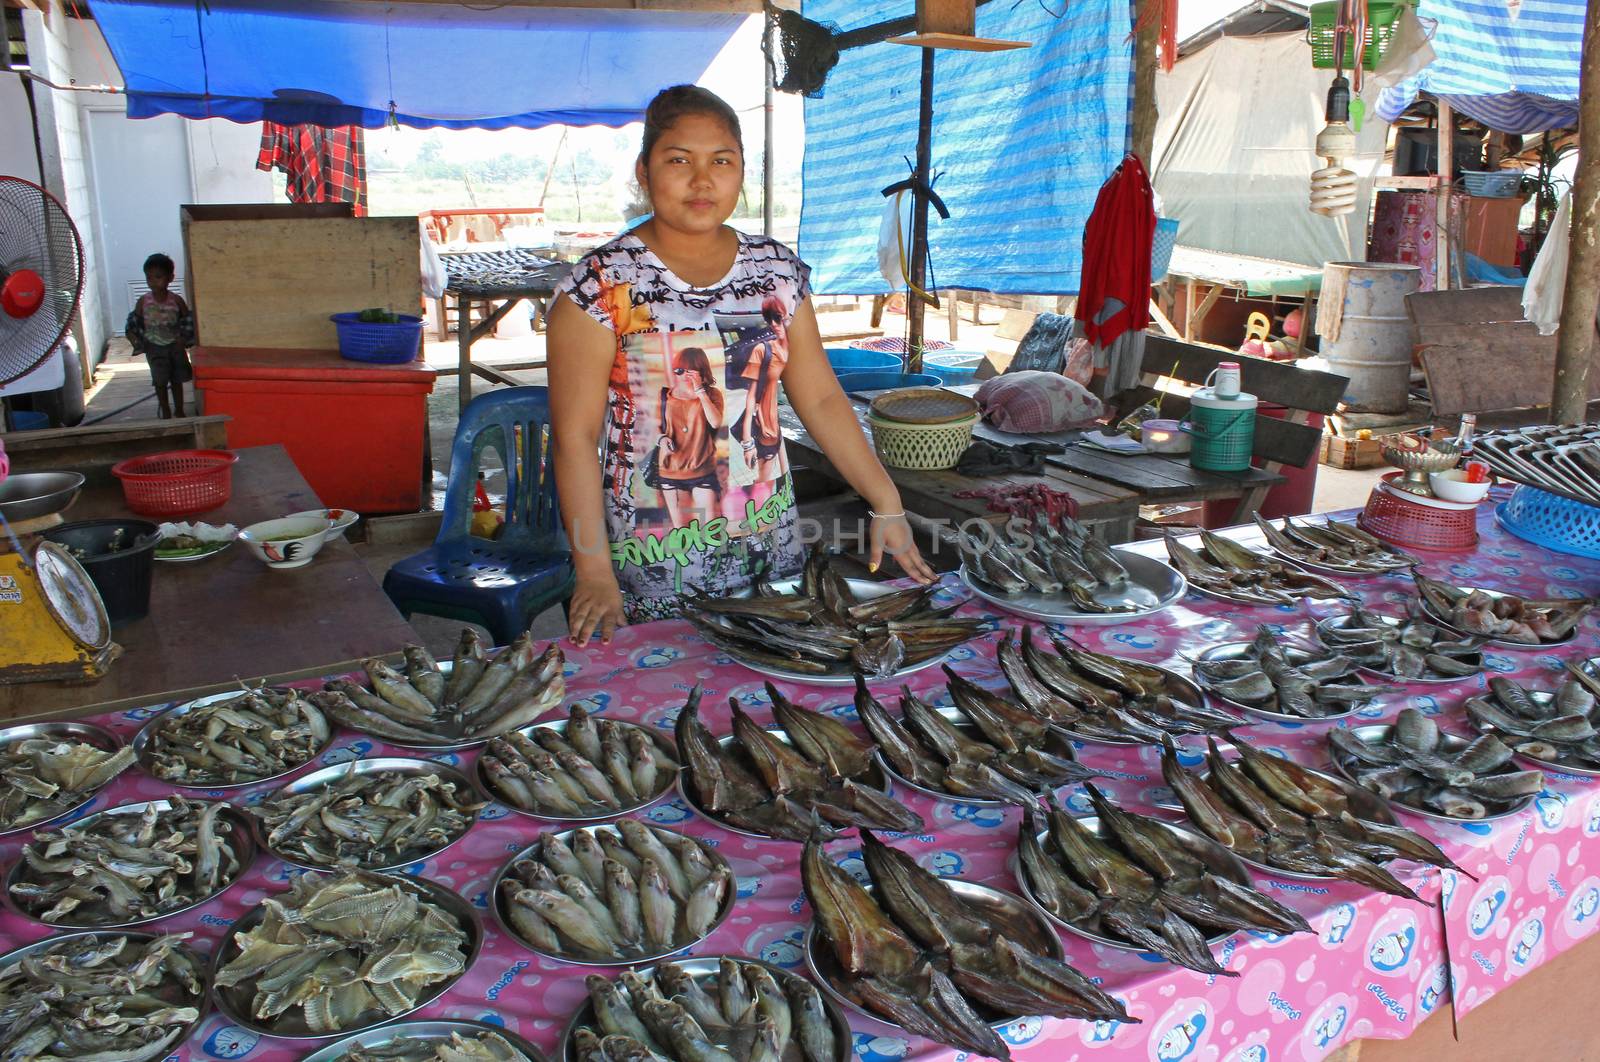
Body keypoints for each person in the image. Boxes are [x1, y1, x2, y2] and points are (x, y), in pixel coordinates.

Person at [549, 84, 934, 646]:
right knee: (667, 710)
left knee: (768, 690)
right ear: (644, 170)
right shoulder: (600, 285)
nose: (702, 180)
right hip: (652, 554)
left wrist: (887, 502)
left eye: (721, 162)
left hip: (769, 549)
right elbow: (574, 438)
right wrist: (594, 572)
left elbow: (822, 400)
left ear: (741, 172)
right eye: (678, 160)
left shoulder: (777, 271)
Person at [125, 253, 196, 419]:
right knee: (160, 381)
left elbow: (187, 321)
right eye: (148, 277)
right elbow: (134, 321)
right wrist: (135, 338)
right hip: (154, 347)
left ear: (170, 278)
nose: (153, 281)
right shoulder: (143, 301)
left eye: (158, 277)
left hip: (175, 347)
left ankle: (179, 409)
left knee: (176, 379)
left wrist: (183, 339)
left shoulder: (176, 301)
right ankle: (165, 410)